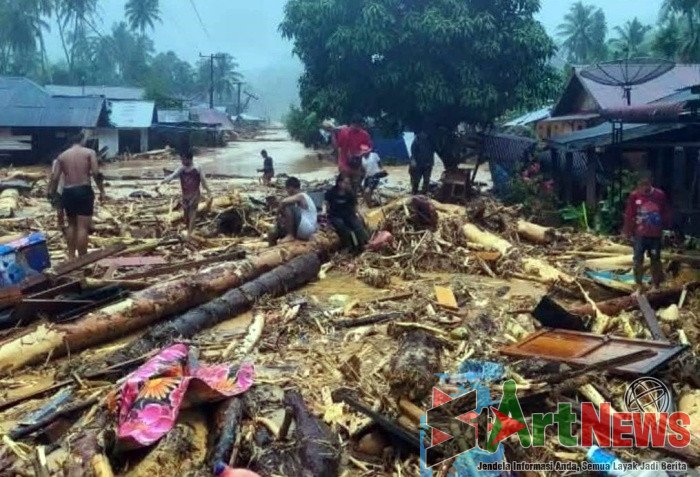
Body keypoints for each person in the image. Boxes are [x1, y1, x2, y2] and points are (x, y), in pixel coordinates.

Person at [48, 132, 105, 259]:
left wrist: (53, 194)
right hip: (83, 190)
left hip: (68, 192)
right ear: (82, 140)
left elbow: (55, 177)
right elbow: (96, 173)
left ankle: (71, 256)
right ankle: (82, 258)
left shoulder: (62, 156)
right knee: (82, 227)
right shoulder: (89, 152)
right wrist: (102, 191)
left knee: (71, 225)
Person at [623, 171, 671, 290]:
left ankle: (656, 285)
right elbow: (630, 214)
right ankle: (639, 285)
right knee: (638, 260)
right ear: (638, 185)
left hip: (655, 235)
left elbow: (665, 212)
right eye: (641, 185)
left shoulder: (660, 195)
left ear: (650, 183)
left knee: (655, 259)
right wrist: (628, 231)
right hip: (640, 235)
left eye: (646, 184)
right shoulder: (634, 196)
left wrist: (666, 227)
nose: (644, 188)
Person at [158, 149, 212, 239]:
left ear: (190, 159)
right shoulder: (182, 168)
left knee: (192, 213)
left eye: (183, 159)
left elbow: (203, 181)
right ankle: (189, 229)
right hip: (185, 195)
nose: (182, 161)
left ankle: (190, 234)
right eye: (181, 159)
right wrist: (162, 181)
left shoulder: (197, 168)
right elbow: (172, 176)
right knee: (186, 215)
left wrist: (208, 191)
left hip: (195, 195)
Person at [325, 174, 368, 254]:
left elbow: (355, 206)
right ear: (339, 183)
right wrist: (325, 213)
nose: (347, 185)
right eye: (346, 183)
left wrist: (359, 214)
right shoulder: (331, 192)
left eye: (348, 183)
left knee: (357, 226)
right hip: (336, 215)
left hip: (349, 214)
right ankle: (348, 246)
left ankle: (363, 244)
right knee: (342, 226)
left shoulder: (350, 193)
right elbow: (326, 203)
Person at [268, 176, 318, 245]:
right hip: (302, 229)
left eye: (287, 189)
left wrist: (277, 214)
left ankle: (290, 235)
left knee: (288, 206)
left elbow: (283, 202)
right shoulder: (297, 200)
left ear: (291, 188)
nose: (287, 191)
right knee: (272, 232)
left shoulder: (302, 195)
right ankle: (271, 247)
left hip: (307, 229)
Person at [335, 115, 372, 190]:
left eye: (359, 125)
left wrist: (362, 153)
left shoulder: (364, 135)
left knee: (355, 185)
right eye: (356, 125)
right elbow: (337, 145)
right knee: (346, 184)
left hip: (357, 164)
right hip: (344, 163)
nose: (357, 127)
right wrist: (333, 133)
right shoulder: (343, 132)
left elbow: (368, 148)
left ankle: (355, 193)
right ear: (352, 124)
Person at [410, 130, 436, 195]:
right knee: (416, 180)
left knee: (426, 179)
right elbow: (413, 153)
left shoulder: (430, 141)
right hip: (418, 164)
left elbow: (432, 152)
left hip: (428, 164)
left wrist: (430, 163)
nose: (425, 134)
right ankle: (414, 192)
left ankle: (424, 193)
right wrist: (413, 161)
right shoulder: (416, 141)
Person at [49, 158, 66, 233]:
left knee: (59, 208)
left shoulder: (57, 161)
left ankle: (61, 226)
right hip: (72, 187)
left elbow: (54, 177)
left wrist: (51, 189)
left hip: (60, 188)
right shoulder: (76, 160)